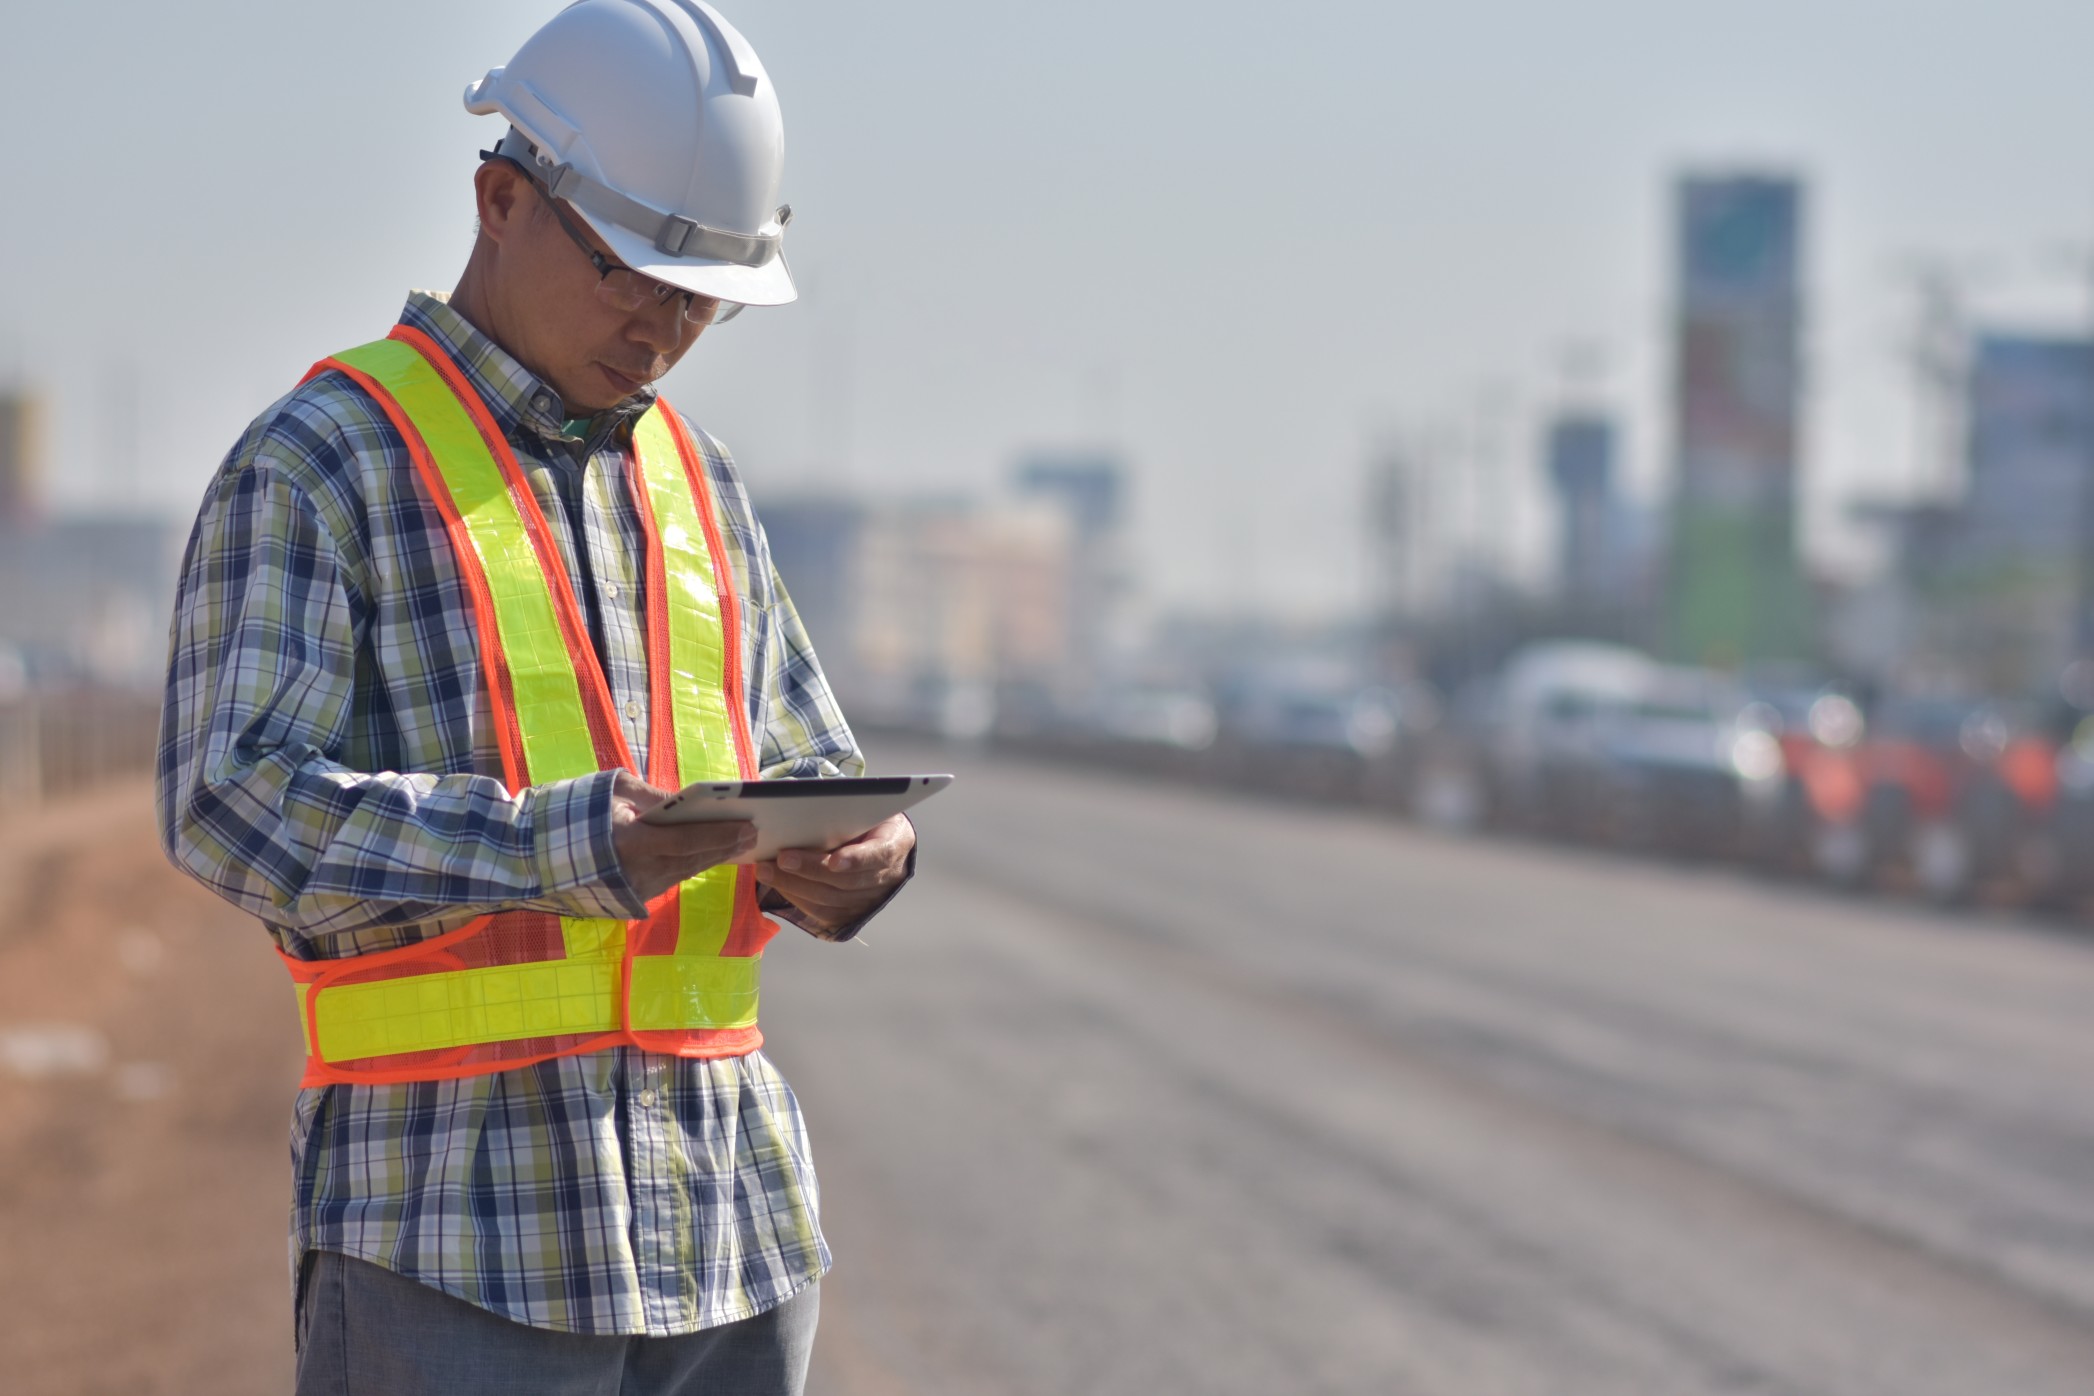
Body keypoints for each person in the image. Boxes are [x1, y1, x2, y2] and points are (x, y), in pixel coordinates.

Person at [154, 4, 914, 1392]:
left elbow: (809, 758)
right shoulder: (325, 460)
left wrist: (861, 859)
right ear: (502, 198)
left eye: (703, 297)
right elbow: (228, 803)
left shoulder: (699, 484)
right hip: (455, 1234)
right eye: (636, 272)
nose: (666, 326)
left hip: (728, 1233)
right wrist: (561, 845)